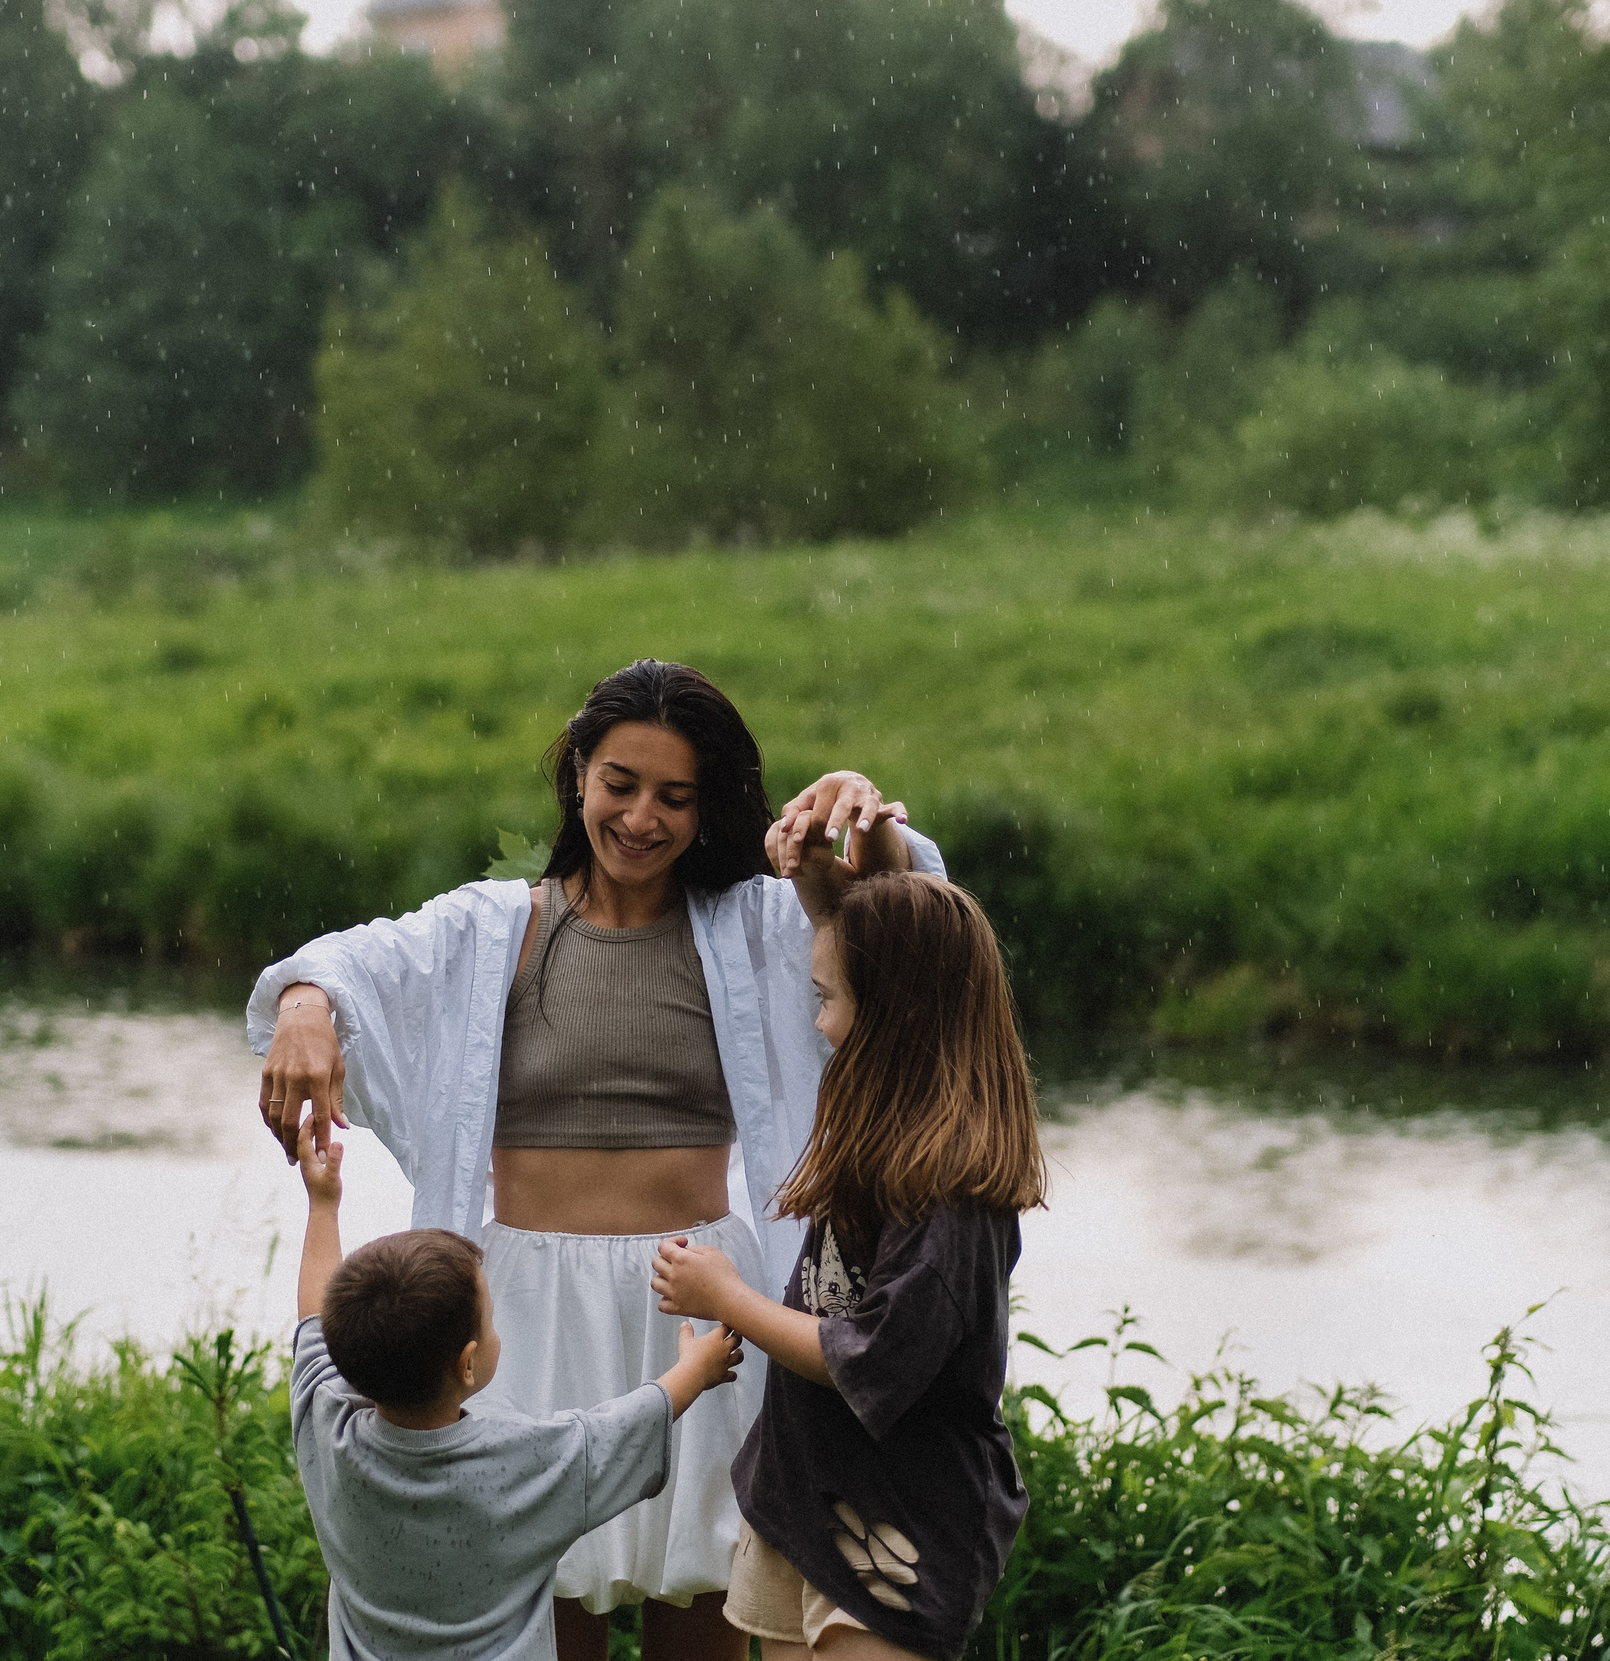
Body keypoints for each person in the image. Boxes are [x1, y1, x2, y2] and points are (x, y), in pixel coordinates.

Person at [247, 658, 944, 1661]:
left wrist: (863, 824)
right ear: (578, 774)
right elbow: (351, 962)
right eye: (620, 783)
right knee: (545, 1605)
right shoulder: (495, 928)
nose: (642, 818)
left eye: (676, 797)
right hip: (523, 1302)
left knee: (705, 1603)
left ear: (710, 811)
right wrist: (307, 1009)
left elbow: (911, 920)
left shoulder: (753, 923)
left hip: (699, 1297)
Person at [649, 842, 1047, 1661]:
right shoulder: (884, 1138)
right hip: (805, 1499)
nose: (820, 1021)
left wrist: (730, 1299)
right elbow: (827, 1297)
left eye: (828, 999)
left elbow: (864, 1356)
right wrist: (813, 875)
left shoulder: (951, 1198)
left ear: (895, 1016)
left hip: (899, 1518)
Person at [288, 1119, 748, 1661]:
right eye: (490, 1320)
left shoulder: (328, 1429)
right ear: (466, 1364)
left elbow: (313, 1319)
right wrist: (701, 1365)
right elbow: (628, 1424)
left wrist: (322, 1205)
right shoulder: (520, 1461)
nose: (497, 1329)